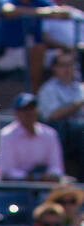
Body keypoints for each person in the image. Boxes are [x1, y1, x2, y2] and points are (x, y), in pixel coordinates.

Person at [0, 91, 65, 181]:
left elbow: (57, 167)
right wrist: (33, 177)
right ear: (16, 113)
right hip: (16, 187)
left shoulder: (50, 134)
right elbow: (7, 171)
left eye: (32, 108)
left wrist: (51, 175)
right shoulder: (6, 135)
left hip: (45, 186)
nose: (29, 113)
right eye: (25, 109)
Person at [37, 45, 84, 173]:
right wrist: (77, 104)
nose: (67, 69)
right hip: (60, 132)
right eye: (63, 65)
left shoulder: (80, 87)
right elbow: (52, 115)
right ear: (54, 68)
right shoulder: (48, 89)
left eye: (70, 65)